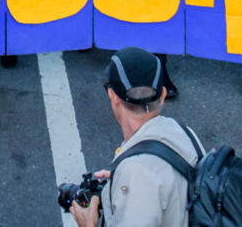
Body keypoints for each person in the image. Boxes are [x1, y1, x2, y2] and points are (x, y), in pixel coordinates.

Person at [69, 47, 202, 227]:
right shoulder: (185, 132)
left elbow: (146, 178)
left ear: (113, 96)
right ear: (162, 95)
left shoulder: (136, 173)